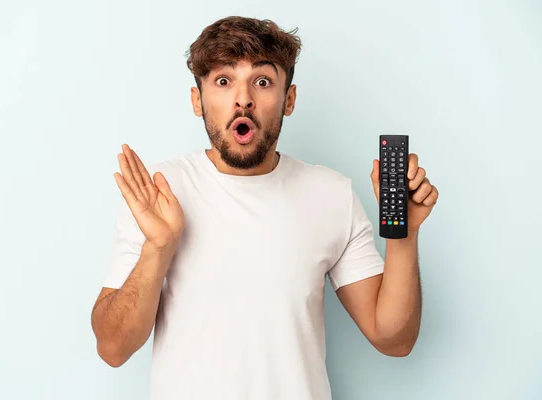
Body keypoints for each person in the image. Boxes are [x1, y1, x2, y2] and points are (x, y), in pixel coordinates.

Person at [91, 16, 439, 400]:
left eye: (262, 81)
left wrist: (404, 236)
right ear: (197, 100)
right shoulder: (157, 191)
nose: (243, 99)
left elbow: (394, 339)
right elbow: (113, 348)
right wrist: (157, 247)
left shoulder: (330, 194)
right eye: (224, 82)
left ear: (288, 100)